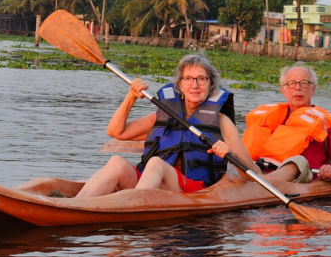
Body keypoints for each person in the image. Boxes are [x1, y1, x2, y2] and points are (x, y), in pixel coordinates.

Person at [71, 53, 261, 198]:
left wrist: (231, 153)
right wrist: (131, 97)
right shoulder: (166, 113)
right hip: (150, 182)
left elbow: (254, 174)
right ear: (180, 85)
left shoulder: (221, 120)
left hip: (191, 188)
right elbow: (115, 131)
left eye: (201, 79)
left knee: (156, 163)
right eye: (188, 79)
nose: (195, 85)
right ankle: (75, 205)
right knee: (117, 162)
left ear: (211, 84)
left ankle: (129, 205)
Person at [242, 63, 331, 184]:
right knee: (236, 152)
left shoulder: (327, 122)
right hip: (257, 169)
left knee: (298, 161)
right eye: (291, 83)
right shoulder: (268, 116)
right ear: (283, 91)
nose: (298, 88)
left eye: (304, 83)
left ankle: (261, 182)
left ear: (313, 90)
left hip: (297, 175)